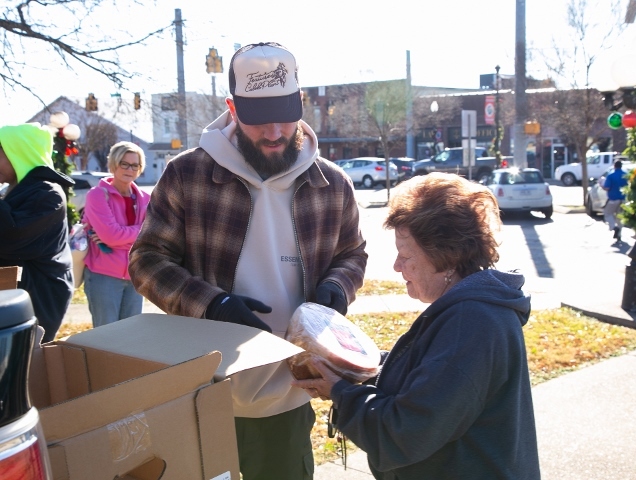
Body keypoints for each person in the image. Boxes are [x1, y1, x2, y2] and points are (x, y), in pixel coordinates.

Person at [128, 42, 367, 480]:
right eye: (259, 118)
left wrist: (338, 288)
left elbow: (352, 254)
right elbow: (145, 260)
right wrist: (212, 304)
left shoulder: (332, 183)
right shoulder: (188, 174)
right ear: (233, 108)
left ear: (301, 103)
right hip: (204, 390)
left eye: (285, 113)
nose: (275, 132)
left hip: (291, 391)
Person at [293, 172, 541, 480]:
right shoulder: (471, 309)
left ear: (446, 257)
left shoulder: (473, 323)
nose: (397, 265)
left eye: (406, 255)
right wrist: (357, 365)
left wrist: (342, 393)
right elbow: (429, 381)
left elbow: (403, 434)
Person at [0, 123, 74, 342]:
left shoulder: (47, 193)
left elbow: (11, 238)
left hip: (36, 303)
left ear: (17, 153)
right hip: (16, 299)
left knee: (19, 372)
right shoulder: (19, 191)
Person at [81, 141, 150, 327]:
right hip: (103, 276)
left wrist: (119, 237)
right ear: (113, 164)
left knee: (129, 336)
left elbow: (152, 236)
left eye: (135, 165)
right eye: (124, 164)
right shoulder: (97, 195)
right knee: (106, 335)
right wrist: (135, 235)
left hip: (134, 275)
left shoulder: (146, 199)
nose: (130, 169)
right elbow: (110, 235)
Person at [603, 160, 628, 242]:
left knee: (607, 213)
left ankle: (614, 227)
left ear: (614, 166)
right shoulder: (625, 175)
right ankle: (619, 234)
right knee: (619, 217)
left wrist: (602, 186)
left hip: (613, 199)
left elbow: (607, 187)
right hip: (623, 199)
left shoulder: (611, 175)